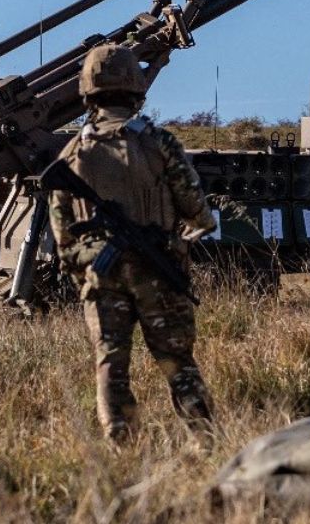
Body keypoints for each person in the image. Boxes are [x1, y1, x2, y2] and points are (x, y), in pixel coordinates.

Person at [47, 43, 217, 442]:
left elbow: (61, 229)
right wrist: (184, 238)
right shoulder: (158, 143)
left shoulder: (73, 152)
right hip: (157, 271)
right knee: (177, 362)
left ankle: (119, 444)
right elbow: (196, 209)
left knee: (110, 364)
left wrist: (84, 272)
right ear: (137, 88)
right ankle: (205, 441)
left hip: (101, 276)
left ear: (87, 90)